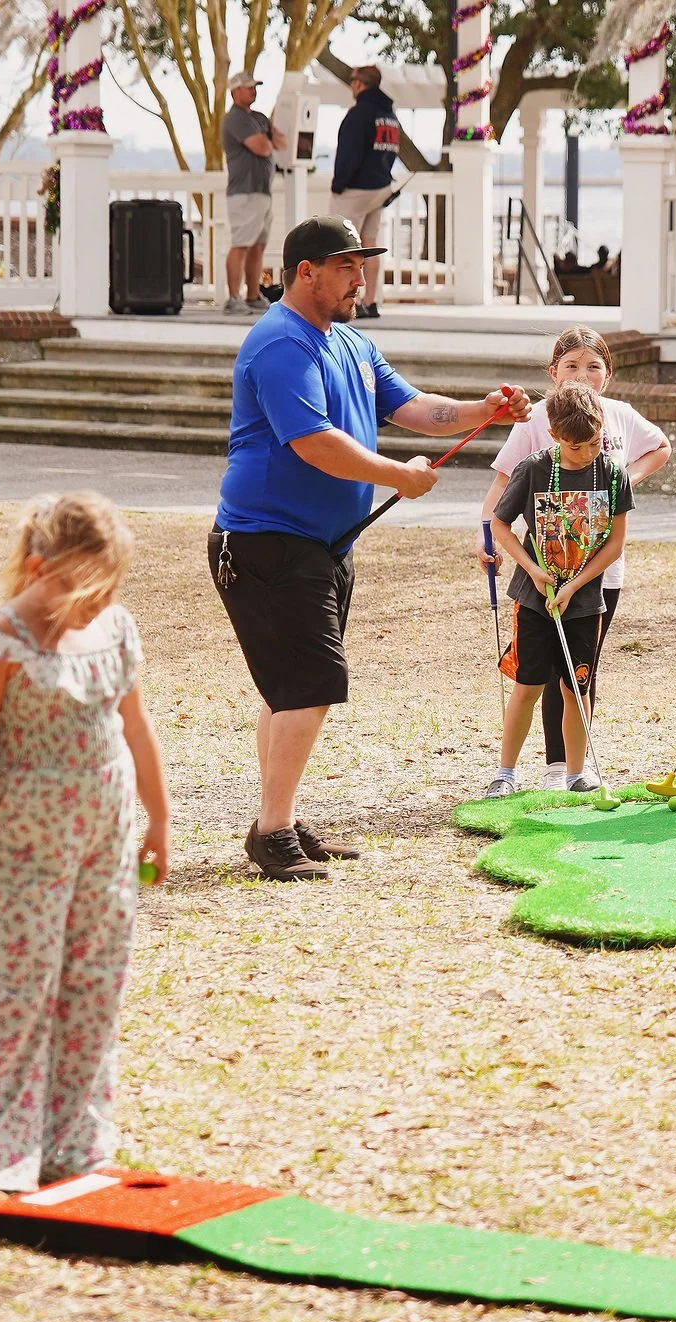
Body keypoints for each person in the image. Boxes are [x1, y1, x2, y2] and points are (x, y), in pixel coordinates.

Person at [212, 215, 529, 881]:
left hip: (319, 547)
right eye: (348, 265)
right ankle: (273, 833)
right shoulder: (279, 344)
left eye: (362, 263)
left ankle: (280, 818)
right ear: (307, 272)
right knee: (309, 682)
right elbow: (313, 442)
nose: (362, 277)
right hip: (268, 543)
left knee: (288, 686)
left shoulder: (351, 342)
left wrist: (482, 409)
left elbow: (414, 408)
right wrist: (398, 476)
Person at [0, 492, 170, 1216]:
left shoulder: (116, 629)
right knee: (20, 987)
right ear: (38, 569)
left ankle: (74, 1147)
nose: (100, 604)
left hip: (108, 835)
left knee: (96, 982)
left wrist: (159, 818)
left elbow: (137, 724)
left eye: (111, 589)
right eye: (86, 589)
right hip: (29, 845)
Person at [478, 326, 672, 791]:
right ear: (553, 373)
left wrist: (624, 481)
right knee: (534, 677)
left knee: (577, 675)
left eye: (593, 366)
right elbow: (503, 494)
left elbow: (658, 450)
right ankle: (535, 768)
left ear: (607, 374)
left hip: (593, 582)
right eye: (571, 366)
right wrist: (489, 539)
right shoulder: (537, 434)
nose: (582, 376)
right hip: (541, 579)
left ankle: (572, 769)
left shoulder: (617, 432)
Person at [484, 385, 634, 798]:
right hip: (536, 598)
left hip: (585, 600)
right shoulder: (532, 469)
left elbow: (614, 543)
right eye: (576, 446)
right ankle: (506, 773)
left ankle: (575, 774)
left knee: (577, 687)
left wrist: (575, 585)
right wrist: (533, 570)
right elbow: (500, 526)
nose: (586, 453)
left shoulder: (613, 474)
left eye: (594, 443)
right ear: (553, 434)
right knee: (528, 686)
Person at [329, 64, 402, 320]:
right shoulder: (390, 116)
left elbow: (349, 155)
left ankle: (348, 302)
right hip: (380, 187)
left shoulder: (359, 114)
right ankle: (370, 302)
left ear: (360, 83)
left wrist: (339, 184)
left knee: (342, 245)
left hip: (357, 189)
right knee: (368, 243)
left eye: (352, 80)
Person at [221, 72, 284, 316]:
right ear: (235, 92)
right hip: (244, 192)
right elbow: (262, 146)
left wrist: (268, 139)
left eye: (255, 87)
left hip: (263, 191)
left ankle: (253, 295)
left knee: (258, 245)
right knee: (241, 244)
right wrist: (268, 140)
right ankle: (233, 297)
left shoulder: (258, 118)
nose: (253, 91)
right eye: (249, 88)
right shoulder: (235, 119)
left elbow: (280, 141)